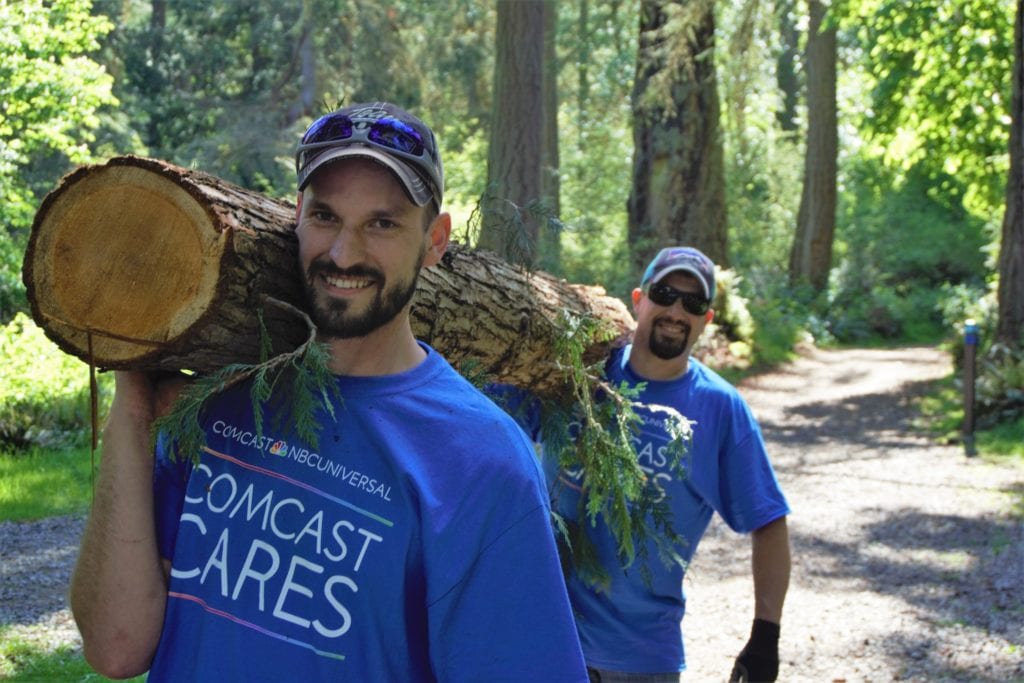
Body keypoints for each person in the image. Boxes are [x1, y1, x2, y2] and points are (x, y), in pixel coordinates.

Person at [69, 101, 588, 682]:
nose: (343, 253)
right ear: (297, 216)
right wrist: (133, 390)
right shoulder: (219, 399)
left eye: (382, 223)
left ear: (435, 240)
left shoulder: (481, 460)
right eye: (326, 217)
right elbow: (115, 648)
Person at [519, 247, 792, 682]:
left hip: (641, 659)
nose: (676, 310)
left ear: (707, 318)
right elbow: (492, 416)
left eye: (693, 302)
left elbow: (769, 519)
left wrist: (765, 635)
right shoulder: (581, 371)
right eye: (664, 293)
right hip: (545, 637)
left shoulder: (720, 409)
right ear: (638, 299)